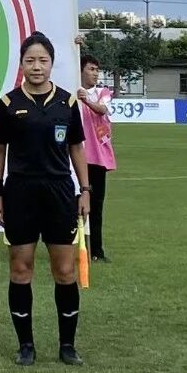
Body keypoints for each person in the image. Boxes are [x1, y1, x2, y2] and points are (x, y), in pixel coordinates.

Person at [0, 32, 91, 366]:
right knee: (21, 269)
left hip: (59, 192)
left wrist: (85, 190)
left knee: (65, 270)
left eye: (43, 60)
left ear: (51, 64)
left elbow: (77, 148)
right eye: (30, 60)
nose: (37, 66)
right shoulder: (8, 104)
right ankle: (26, 346)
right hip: (20, 193)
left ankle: (67, 346)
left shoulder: (67, 103)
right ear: (21, 64)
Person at [77, 54, 116, 262]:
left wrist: (86, 99)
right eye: (91, 69)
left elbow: (102, 110)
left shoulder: (102, 93)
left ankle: (96, 250)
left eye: (96, 70)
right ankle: (74, 247)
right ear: (81, 70)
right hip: (77, 157)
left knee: (96, 206)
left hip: (97, 159)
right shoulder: (72, 91)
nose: (95, 73)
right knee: (73, 204)